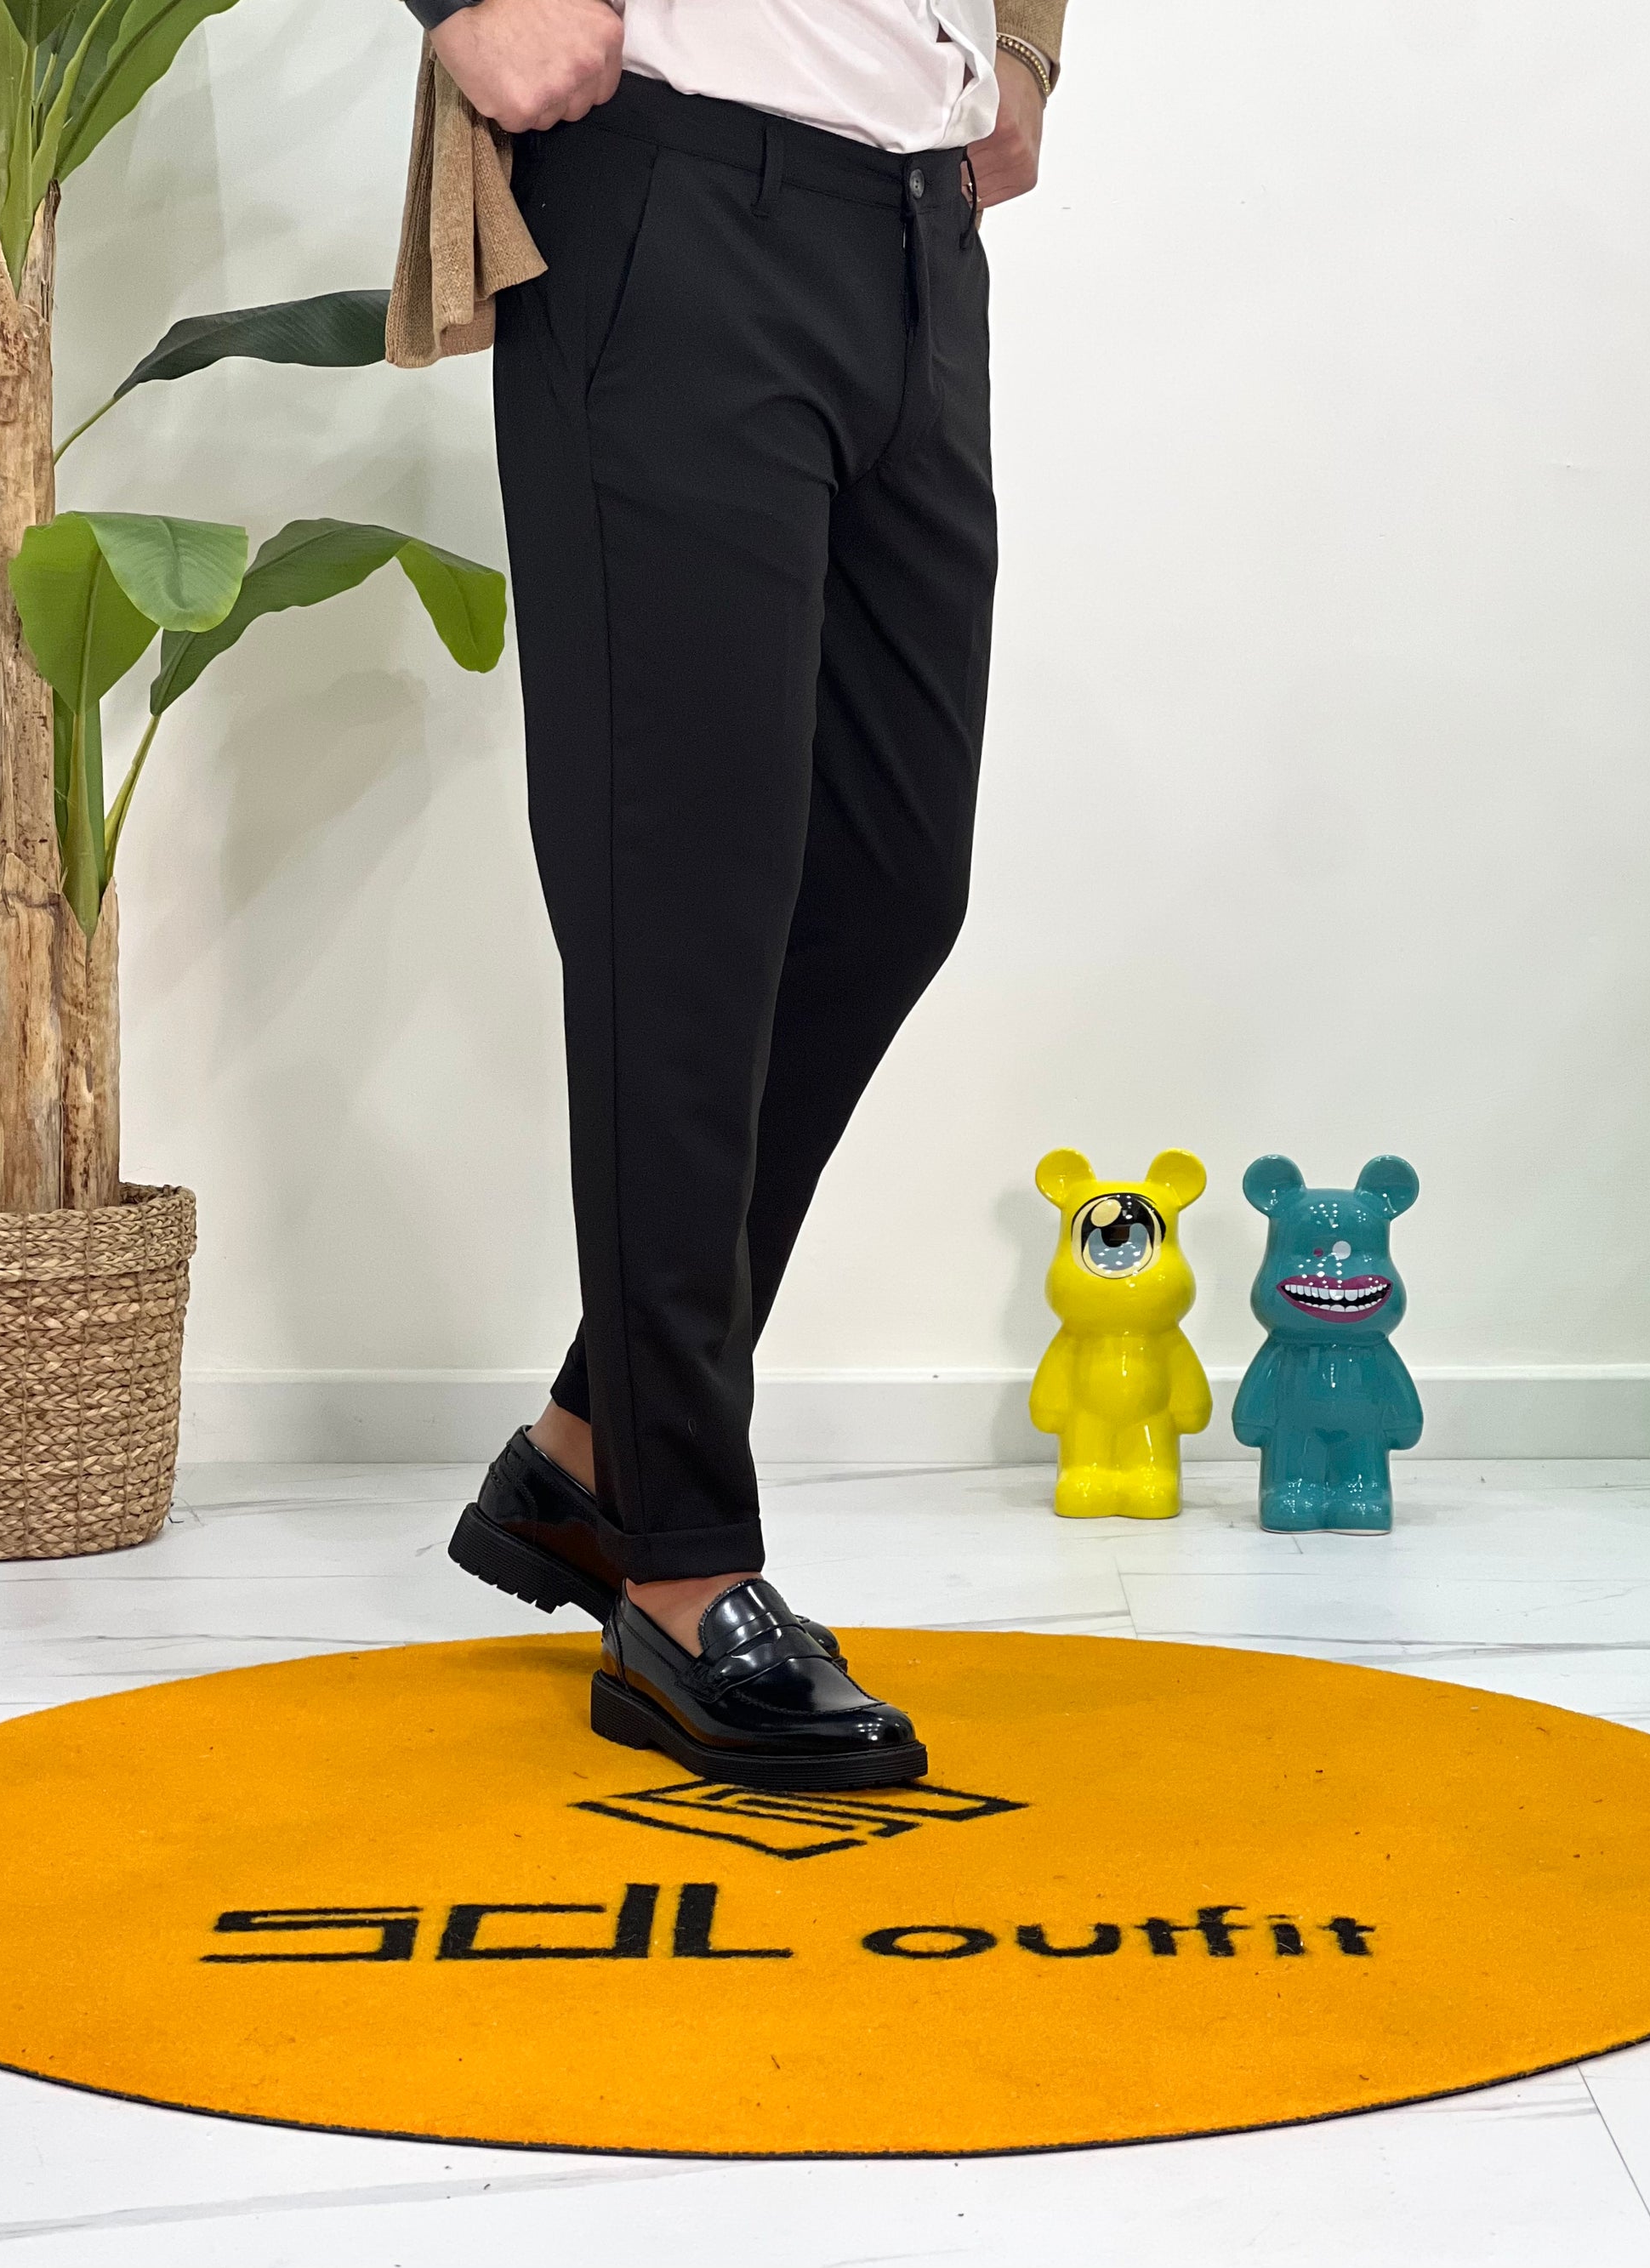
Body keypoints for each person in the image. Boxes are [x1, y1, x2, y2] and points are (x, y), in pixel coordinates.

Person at [412, 0, 1067, 1790]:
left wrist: (1021, 54)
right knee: (676, 913)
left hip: (918, 238)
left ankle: (591, 1446)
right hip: (677, 200)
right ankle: (682, 1572)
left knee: (889, 880)